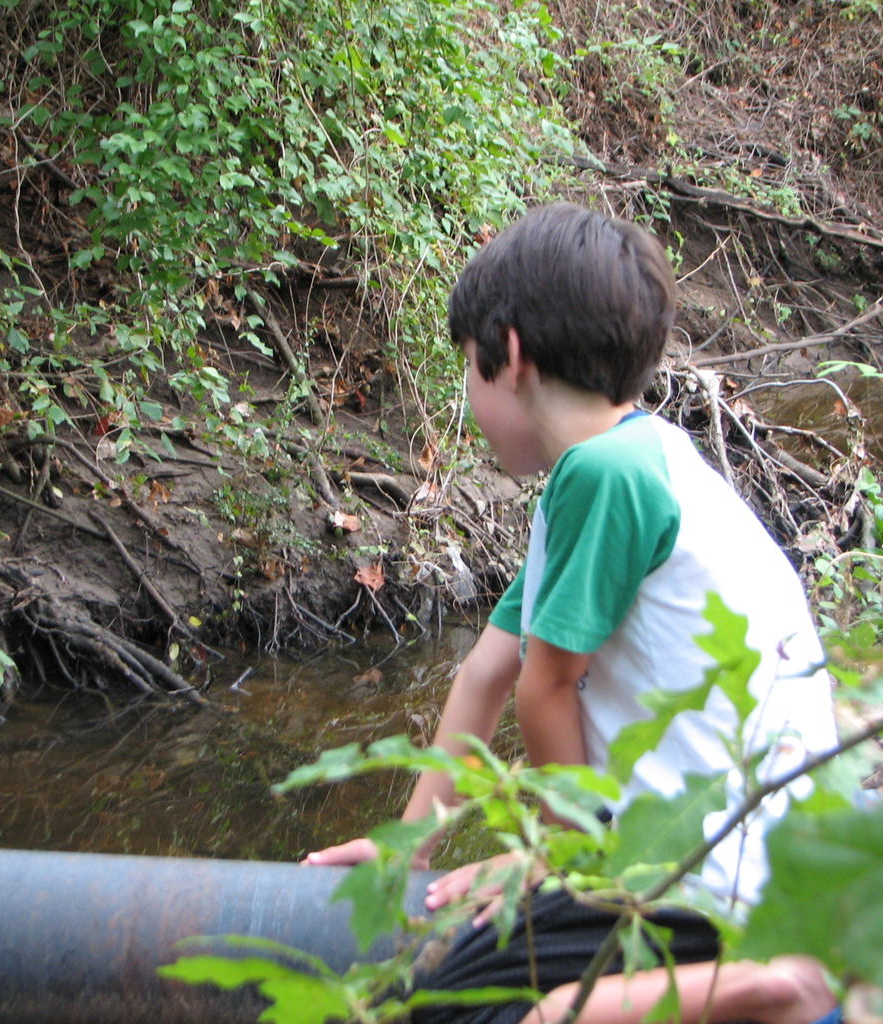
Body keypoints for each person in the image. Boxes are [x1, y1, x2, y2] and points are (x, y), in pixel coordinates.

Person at [302, 203, 843, 1024]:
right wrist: (404, 848)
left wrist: (554, 865)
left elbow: (541, 690)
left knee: (456, 1010)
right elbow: (485, 671)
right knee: (449, 986)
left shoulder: (603, 477)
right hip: (720, 851)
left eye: (466, 366)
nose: (466, 391)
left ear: (508, 354)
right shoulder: (625, 465)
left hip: (706, 876)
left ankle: (769, 986)